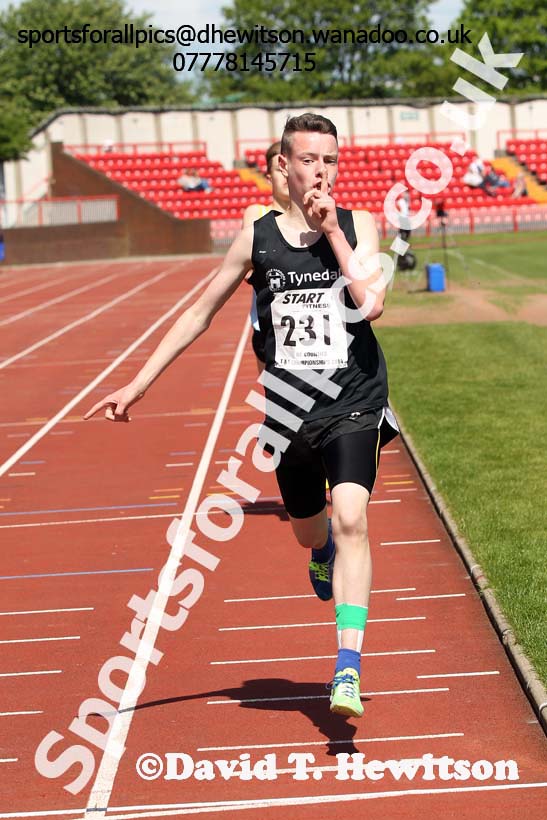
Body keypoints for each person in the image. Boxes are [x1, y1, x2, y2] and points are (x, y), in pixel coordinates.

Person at [84, 113, 399, 719]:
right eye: (310, 160)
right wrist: (140, 384)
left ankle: (347, 668)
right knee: (313, 528)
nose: (321, 172)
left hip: (354, 398)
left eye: (331, 161)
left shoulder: (358, 225)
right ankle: (319, 549)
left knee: (354, 515)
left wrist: (333, 232)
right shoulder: (256, 237)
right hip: (289, 412)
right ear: (285, 164)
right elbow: (199, 313)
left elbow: (372, 303)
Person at [242, 141, 290, 373]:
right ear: (269, 178)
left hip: (311, 328)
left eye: (290, 168)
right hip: (268, 327)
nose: (286, 175)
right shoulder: (257, 213)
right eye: (279, 170)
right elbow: (250, 267)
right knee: (276, 403)